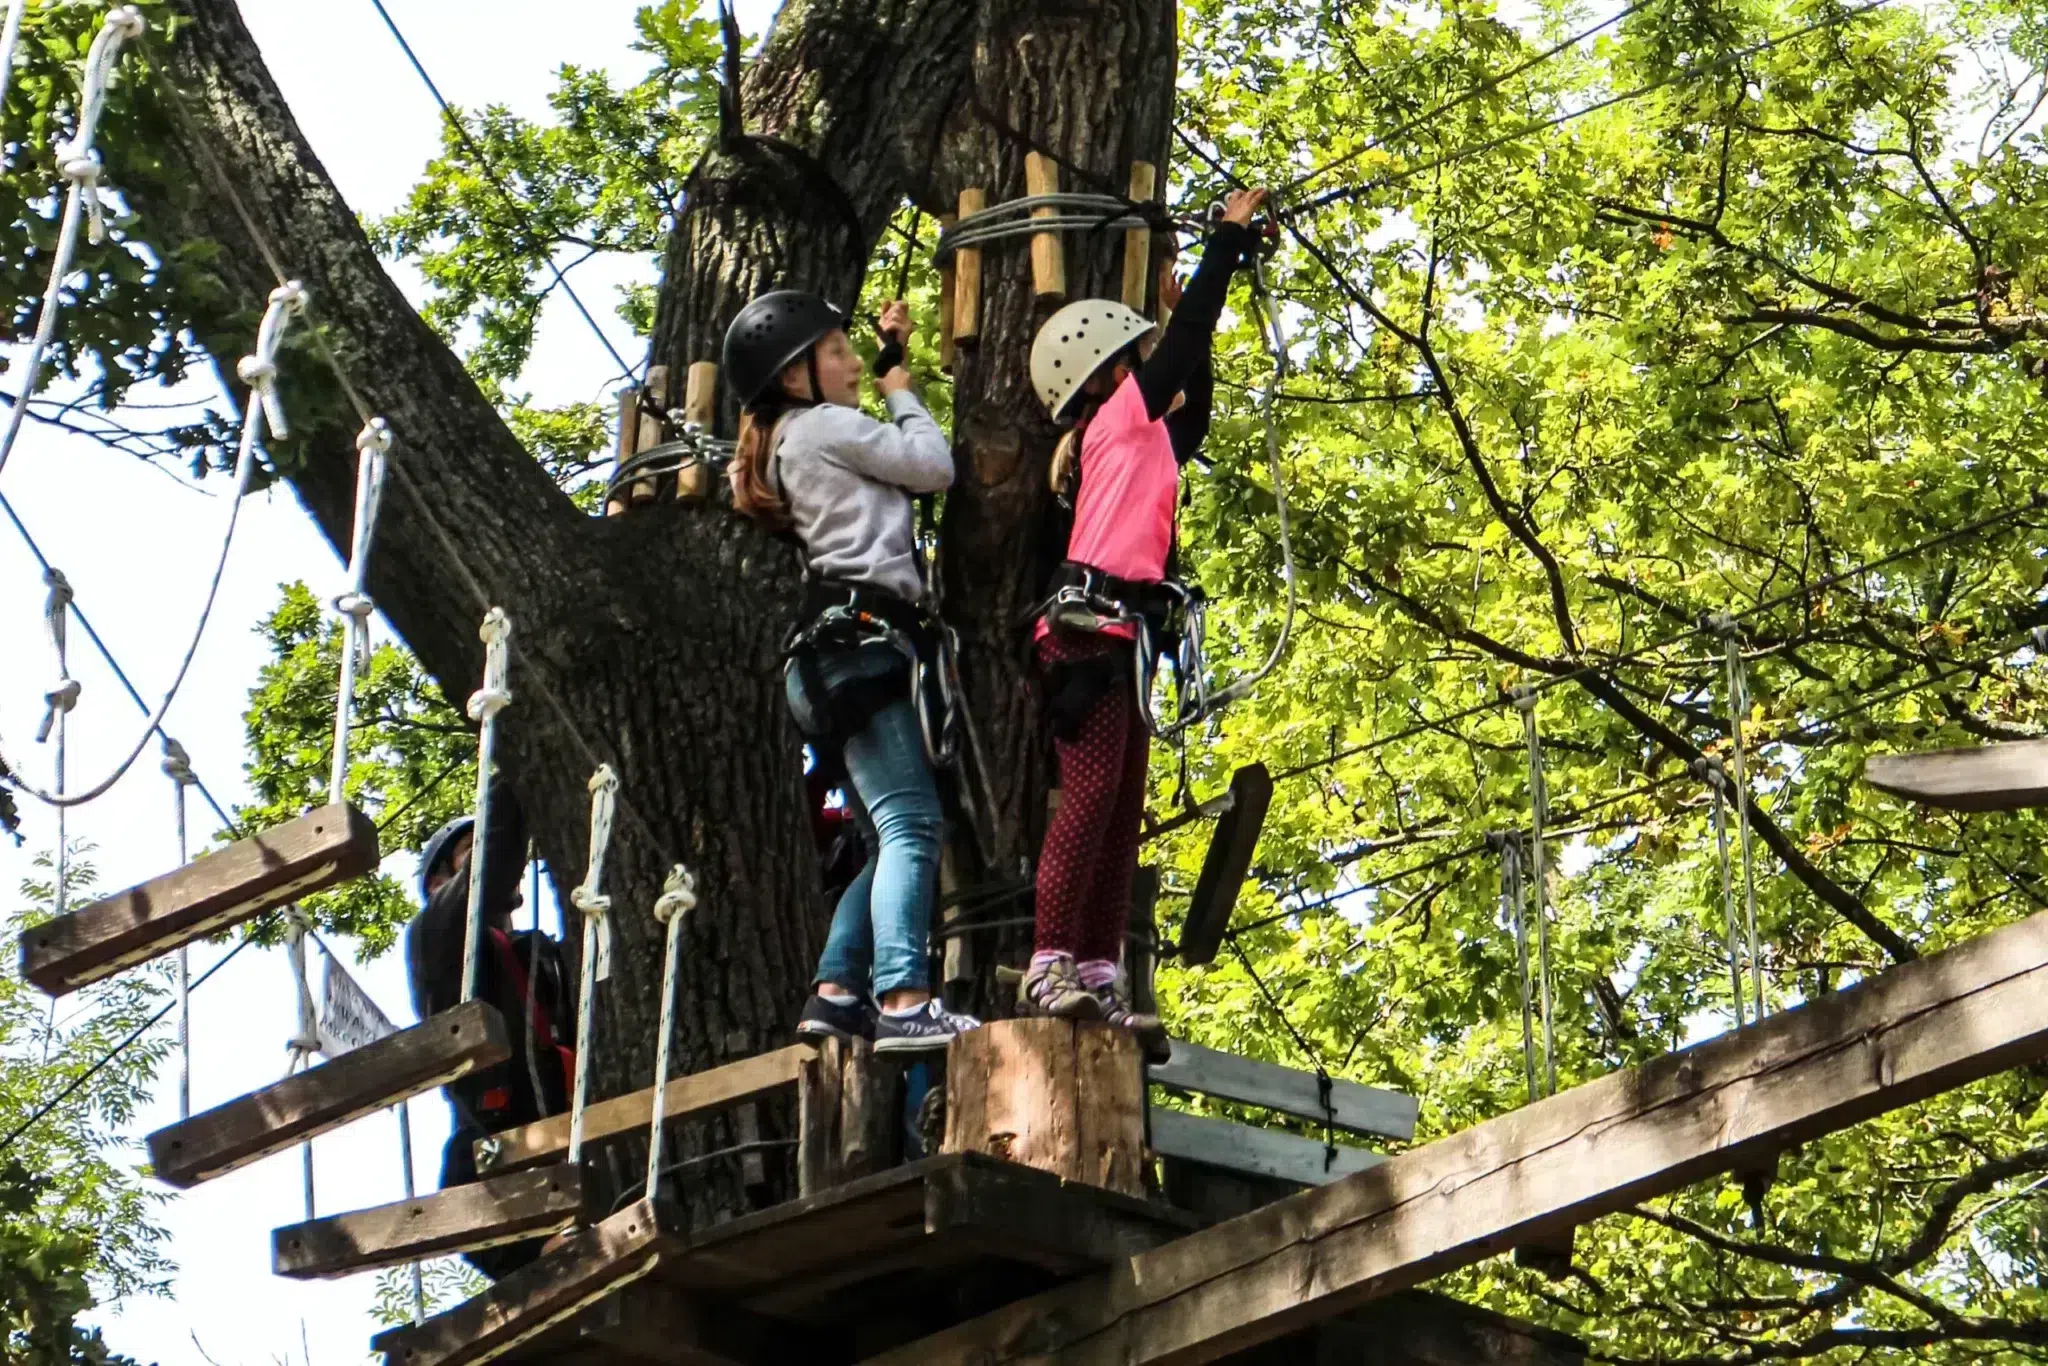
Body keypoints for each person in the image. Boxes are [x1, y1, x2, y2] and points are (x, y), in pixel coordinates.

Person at [1021, 187, 1270, 1032]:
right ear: (1113, 371)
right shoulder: (1115, 420)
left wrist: (1175, 321)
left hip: (1124, 636)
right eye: (1142, 353)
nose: (1154, 363)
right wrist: (1226, 242)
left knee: (1121, 817)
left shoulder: (1148, 433)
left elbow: (1190, 403)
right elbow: (1188, 343)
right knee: (1089, 805)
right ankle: (1049, 962)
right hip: (1088, 635)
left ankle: (1097, 967)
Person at [725, 289, 981, 1053]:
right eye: (836, 352)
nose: (852, 364)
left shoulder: (791, 439)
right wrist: (901, 394)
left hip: (827, 659)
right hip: (860, 647)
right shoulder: (826, 427)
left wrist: (890, 355)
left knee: (883, 834)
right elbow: (933, 468)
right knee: (913, 824)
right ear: (797, 375)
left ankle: (837, 992)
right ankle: (903, 997)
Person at [405, 780, 574, 1278]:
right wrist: (514, 761)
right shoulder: (435, 932)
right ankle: (541, 1256)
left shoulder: (539, 953)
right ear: (439, 884)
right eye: (467, 851)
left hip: (568, 1132)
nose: (486, 855)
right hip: (494, 1151)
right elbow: (495, 859)